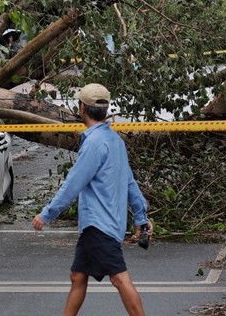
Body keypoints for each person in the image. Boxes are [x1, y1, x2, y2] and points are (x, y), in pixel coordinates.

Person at [31, 83, 152, 316]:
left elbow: (73, 184)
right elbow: (129, 181)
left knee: (119, 279)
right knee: (77, 276)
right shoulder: (114, 140)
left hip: (100, 224)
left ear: (82, 108)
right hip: (98, 225)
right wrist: (140, 215)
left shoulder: (95, 144)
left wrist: (47, 214)